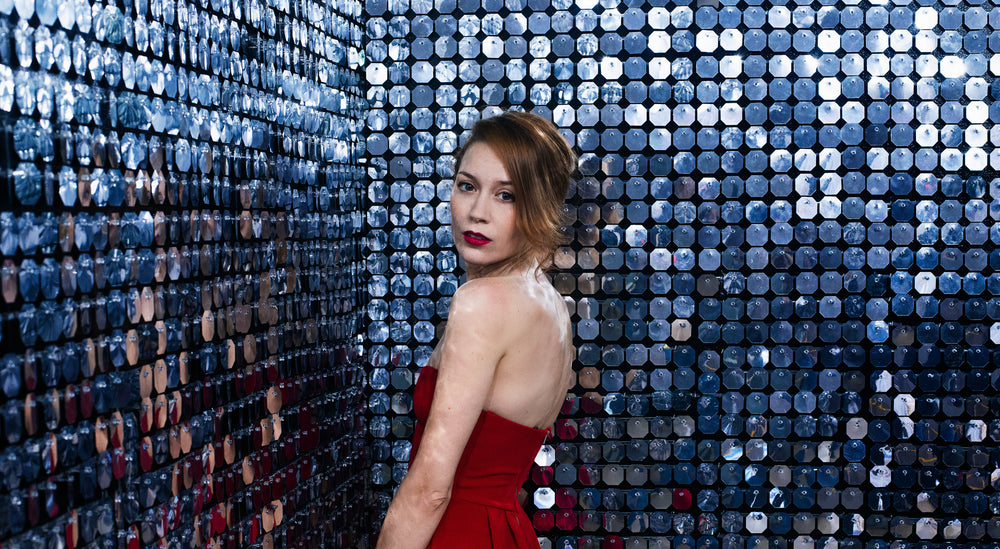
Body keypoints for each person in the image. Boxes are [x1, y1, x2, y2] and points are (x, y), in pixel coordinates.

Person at [376, 111, 577, 549]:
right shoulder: (552, 308)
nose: (477, 212)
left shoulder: (480, 303)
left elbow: (430, 491)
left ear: (540, 207)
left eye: (506, 195)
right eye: (467, 186)